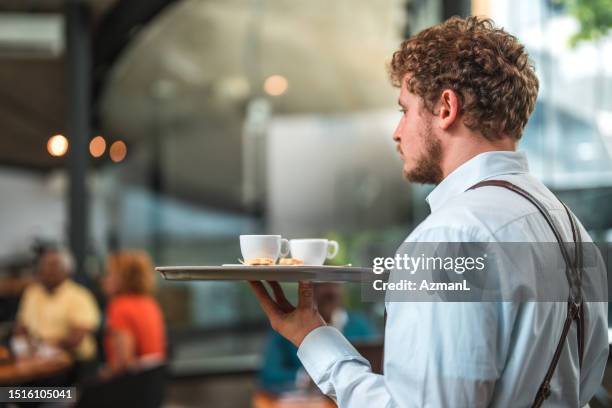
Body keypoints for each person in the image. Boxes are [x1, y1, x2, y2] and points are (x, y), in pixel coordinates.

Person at [249, 16, 609, 407]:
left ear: (446, 108)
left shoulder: (447, 239)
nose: (397, 131)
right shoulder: (570, 227)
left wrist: (312, 339)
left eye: (405, 109)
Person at [258, 283, 374, 395]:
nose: (331, 291)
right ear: (309, 289)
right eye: (324, 285)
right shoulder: (288, 327)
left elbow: (375, 364)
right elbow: (269, 374)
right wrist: (304, 377)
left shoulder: (359, 325)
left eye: (336, 285)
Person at [14, 247, 100, 366]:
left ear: (66, 270)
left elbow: (75, 338)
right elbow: (21, 327)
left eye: (51, 266)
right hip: (36, 359)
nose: (45, 271)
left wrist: (42, 347)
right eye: (42, 266)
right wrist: (22, 346)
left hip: (73, 362)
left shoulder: (80, 296)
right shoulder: (32, 292)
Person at [101, 250, 166, 375]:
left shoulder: (120, 306)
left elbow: (123, 363)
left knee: (64, 394)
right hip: (152, 384)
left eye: (109, 274)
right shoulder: (150, 303)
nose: (104, 279)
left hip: (129, 388)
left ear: (122, 278)